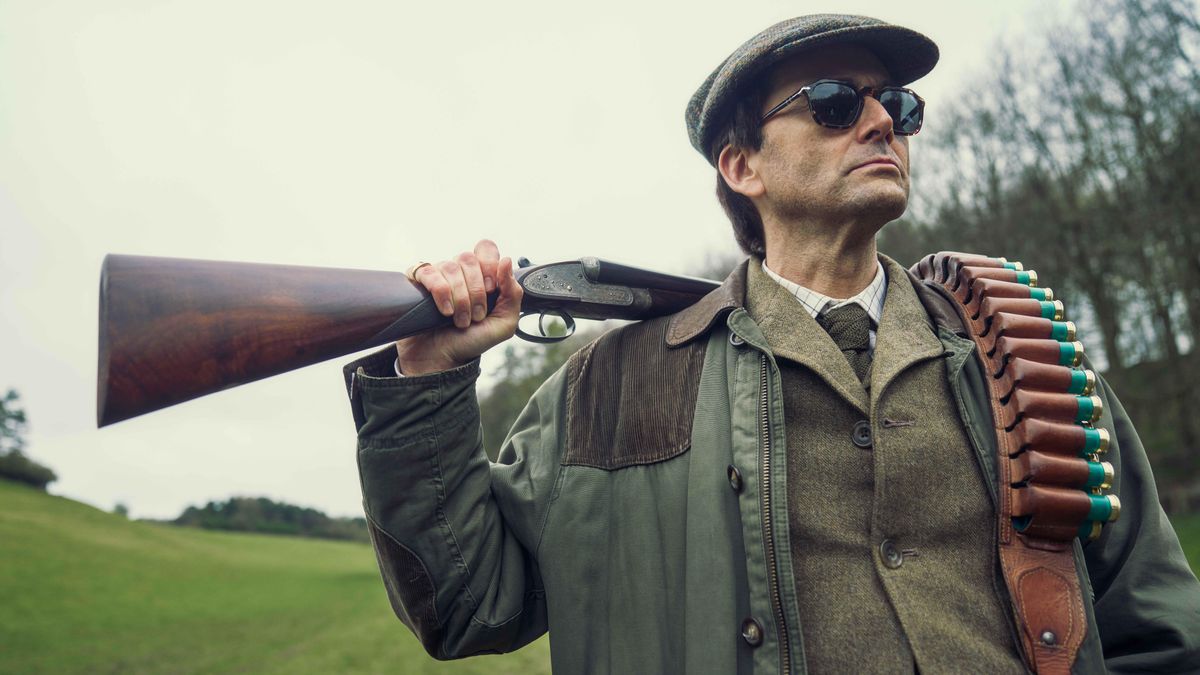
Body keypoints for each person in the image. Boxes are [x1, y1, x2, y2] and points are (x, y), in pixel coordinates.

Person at [343, 14, 1200, 674]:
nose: (880, 123)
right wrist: (428, 377)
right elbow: (467, 604)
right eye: (834, 103)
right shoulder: (609, 385)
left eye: (896, 105)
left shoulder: (1022, 351)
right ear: (741, 166)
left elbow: (1157, 628)